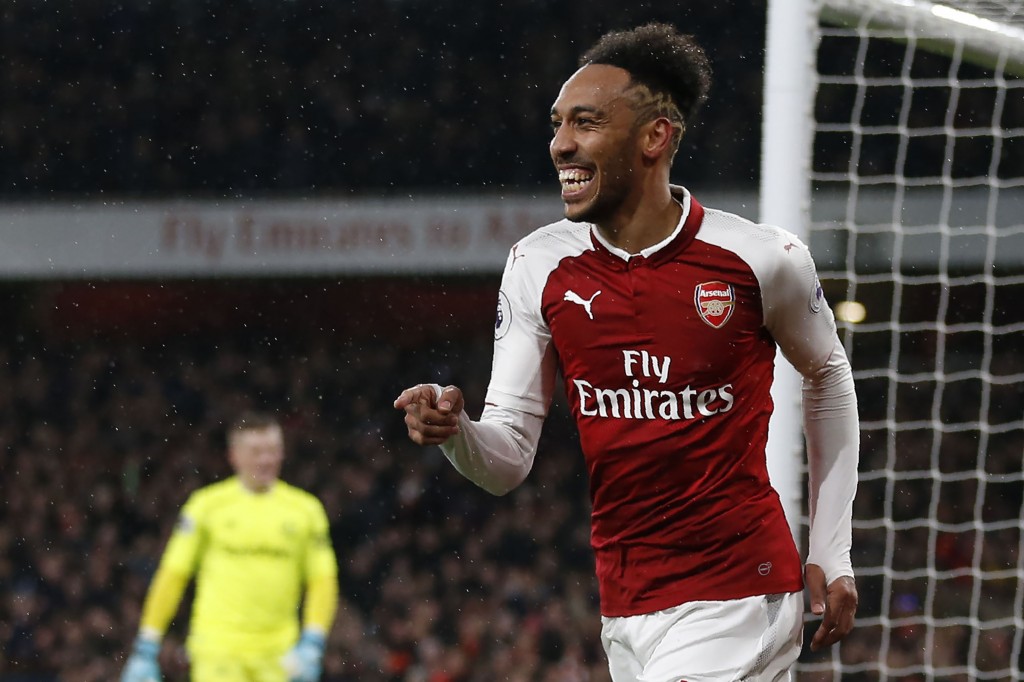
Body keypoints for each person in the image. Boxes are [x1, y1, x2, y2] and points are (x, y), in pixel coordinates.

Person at [394, 22, 859, 681]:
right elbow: (505, 463)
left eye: (585, 123)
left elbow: (828, 375)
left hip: (738, 593)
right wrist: (456, 433)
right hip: (626, 604)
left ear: (654, 137)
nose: (560, 145)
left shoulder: (760, 259)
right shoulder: (538, 265)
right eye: (557, 124)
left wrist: (832, 550)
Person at [120, 412, 339, 682]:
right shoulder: (205, 506)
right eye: (256, 451)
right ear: (233, 455)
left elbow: (322, 580)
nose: (266, 459)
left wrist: (314, 640)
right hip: (217, 652)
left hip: (281, 655)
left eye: (272, 450)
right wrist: (147, 644)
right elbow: (173, 575)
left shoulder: (306, 510)